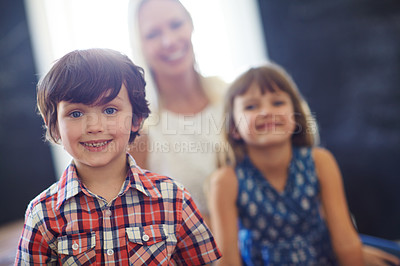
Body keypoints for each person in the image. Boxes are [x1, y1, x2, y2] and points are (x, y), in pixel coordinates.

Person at [15, 48, 221, 265]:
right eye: (76, 113)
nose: (94, 126)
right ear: (54, 126)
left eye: (110, 110)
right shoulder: (42, 215)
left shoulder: (174, 199)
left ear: (136, 119)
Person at [209, 63, 366, 265]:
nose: (266, 111)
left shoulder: (320, 161)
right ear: (234, 128)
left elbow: (345, 240)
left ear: (295, 116)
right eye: (251, 106)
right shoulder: (226, 181)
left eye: (277, 103)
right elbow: (228, 260)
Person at [127, 0, 227, 226]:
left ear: (191, 25)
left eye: (176, 24)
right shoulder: (140, 133)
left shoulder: (235, 99)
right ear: (139, 44)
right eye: (153, 34)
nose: (169, 41)